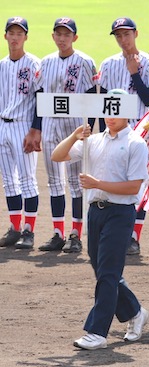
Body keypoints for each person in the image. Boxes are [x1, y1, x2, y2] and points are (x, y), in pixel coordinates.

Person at [51, 88, 149, 350]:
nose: (110, 115)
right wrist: (75, 135)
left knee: (107, 272)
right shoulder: (93, 140)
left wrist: (97, 183)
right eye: (107, 109)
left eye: (116, 109)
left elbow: (133, 188)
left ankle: (97, 332)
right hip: (96, 212)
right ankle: (135, 311)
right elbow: (57, 156)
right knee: (104, 271)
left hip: (120, 213)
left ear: (127, 111)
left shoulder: (136, 144)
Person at [24, 17, 97, 253]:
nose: (62, 38)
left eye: (67, 34)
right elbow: (40, 98)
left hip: (76, 128)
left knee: (76, 183)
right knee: (54, 182)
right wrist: (37, 127)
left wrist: (90, 131)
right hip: (52, 126)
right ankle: (57, 233)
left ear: (74, 37)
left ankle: (75, 235)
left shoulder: (85, 62)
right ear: (53, 36)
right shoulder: (45, 62)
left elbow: (92, 98)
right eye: (58, 34)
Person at [98, 17, 149, 256]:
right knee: (114, 181)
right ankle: (117, 234)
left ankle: (134, 237)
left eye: (126, 34)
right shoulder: (108, 64)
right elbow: (101, 101)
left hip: (140, 133)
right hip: (113, 133)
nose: (123, 39)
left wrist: (135, 74)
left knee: (138, 186)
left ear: (136, 34)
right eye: (118, 35)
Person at [0, 17, 40, 249]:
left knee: (27, 180)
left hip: (24, 125)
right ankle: (15, 228)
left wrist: (35, 130)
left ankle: (29, 231)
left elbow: (40, 100)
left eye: (19, 33)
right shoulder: (2, 65)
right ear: (5, 36)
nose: (15, 37)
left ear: (25, 37)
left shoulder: (34, 64)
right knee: (9, 181)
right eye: (11, 33)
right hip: (3, 126)